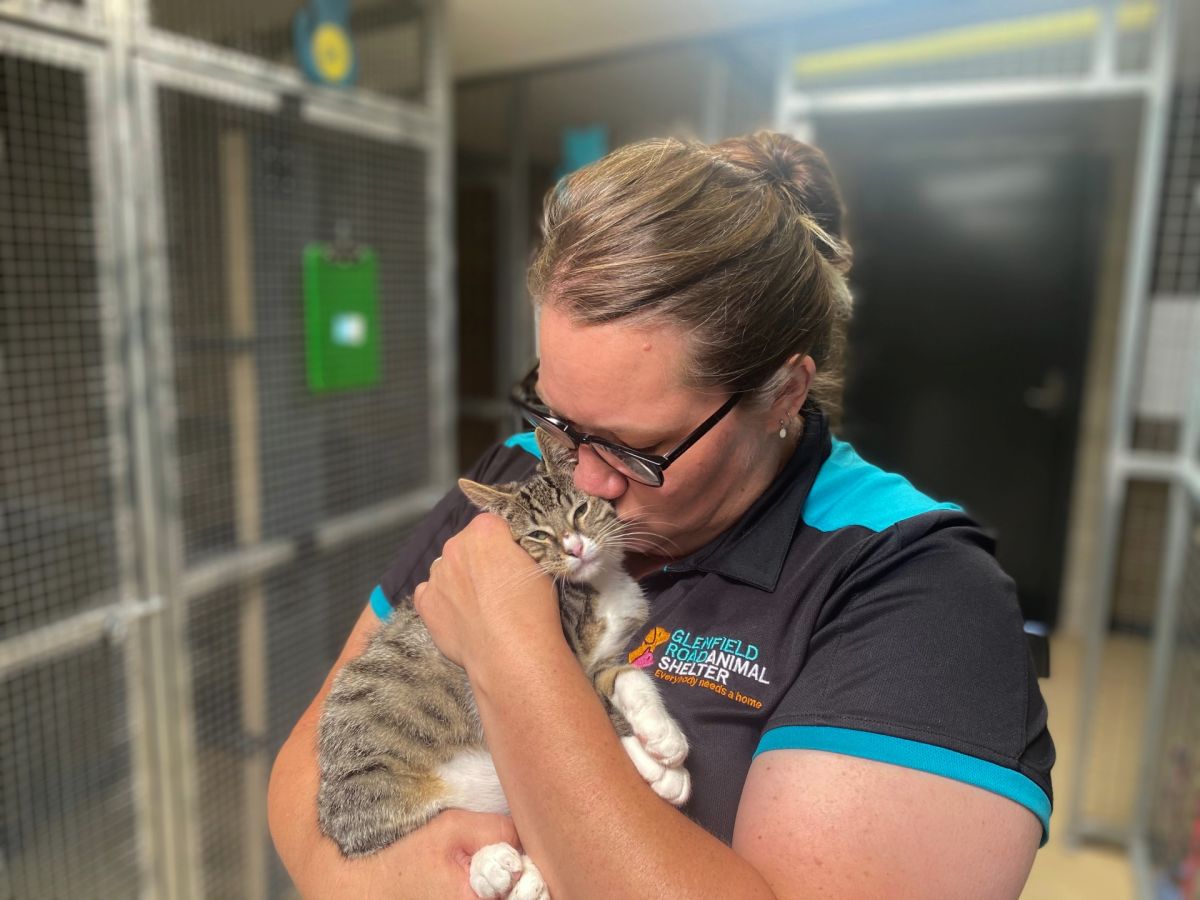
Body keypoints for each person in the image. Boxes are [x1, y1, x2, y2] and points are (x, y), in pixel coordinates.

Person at [268, 130, 1054, 898]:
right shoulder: (519, 472)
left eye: (637, 450)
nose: (583, 479)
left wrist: (513, 649)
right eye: (558, 418)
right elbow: (307, 778)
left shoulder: (918, 594)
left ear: (783, 392)